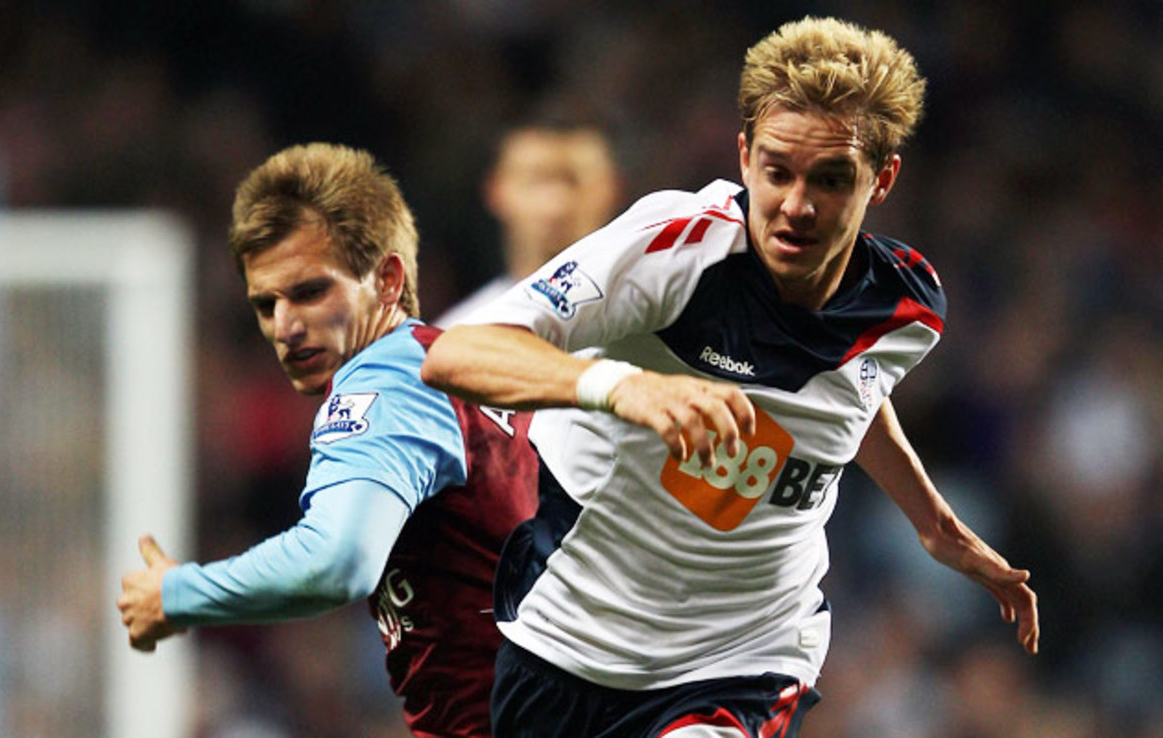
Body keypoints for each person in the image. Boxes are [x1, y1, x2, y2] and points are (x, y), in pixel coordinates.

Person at [420, 16, 1040, 738]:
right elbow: (456, 355)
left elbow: (850, 392)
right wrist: (627, 388)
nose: (798, 206)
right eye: (778, 171)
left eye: (832, 180)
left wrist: (935, 526)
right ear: (744, 156)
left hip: (745, 659)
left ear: (883, 178)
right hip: (566, 639)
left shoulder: (906, 308)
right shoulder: (676, 250)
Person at [117, 143, 538, 738]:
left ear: (388, 279)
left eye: (310, 291)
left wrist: (178, 593)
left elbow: (338, 560)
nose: (284, 326)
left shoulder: (383, 382)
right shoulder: (457, 368)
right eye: (267, 304)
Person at [433, 107, 623, 327]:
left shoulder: (662, 323)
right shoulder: (455, 337)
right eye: (536, 181)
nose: (556, 204)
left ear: (614, 189)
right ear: (496, 190)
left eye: (574, 181)